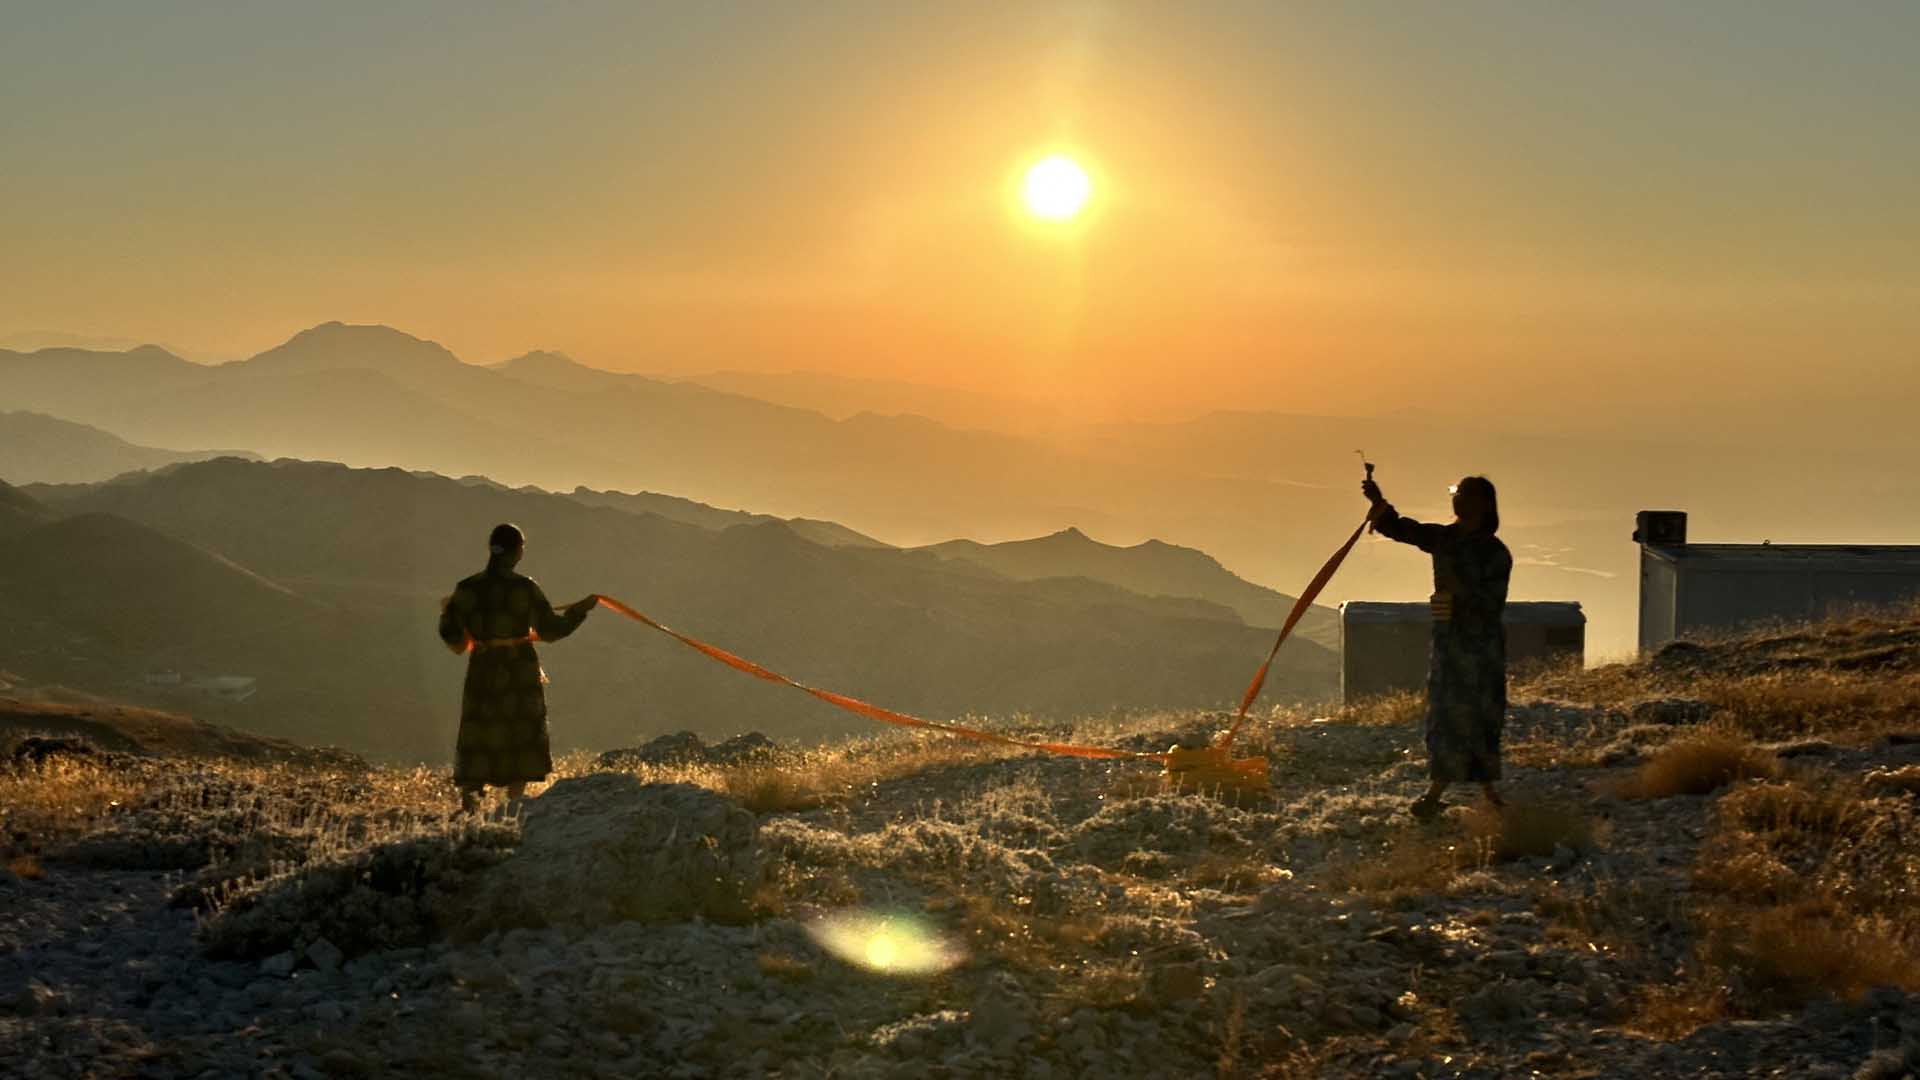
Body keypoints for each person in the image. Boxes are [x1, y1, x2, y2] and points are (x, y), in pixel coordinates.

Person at [1361, 474, 1512, 821]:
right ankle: (1468, 794)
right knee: (1446, 717)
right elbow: (1401, 528)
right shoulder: (1446, 538)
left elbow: (1491, 606)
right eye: (1455, 493)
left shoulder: (1494, 554)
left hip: (1479, 649)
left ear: (1481, 504)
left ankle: (1462, 794)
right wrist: (1377, 502)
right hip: (1450, 645)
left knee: (1479, 717)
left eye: (1460, 494)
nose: (1455, 499)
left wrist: (1459, 591)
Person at [438, 523, 594, 812]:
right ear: (517, 551)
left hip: (482, 669)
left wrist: (464, 628)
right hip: (518, 670)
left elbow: (451, 634)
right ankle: (515, 806)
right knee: (521, 731)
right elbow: (550, 629)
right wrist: (579, 612)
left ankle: (470, 806)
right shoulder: (524, 588)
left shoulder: (467, 588)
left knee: (480, 730)